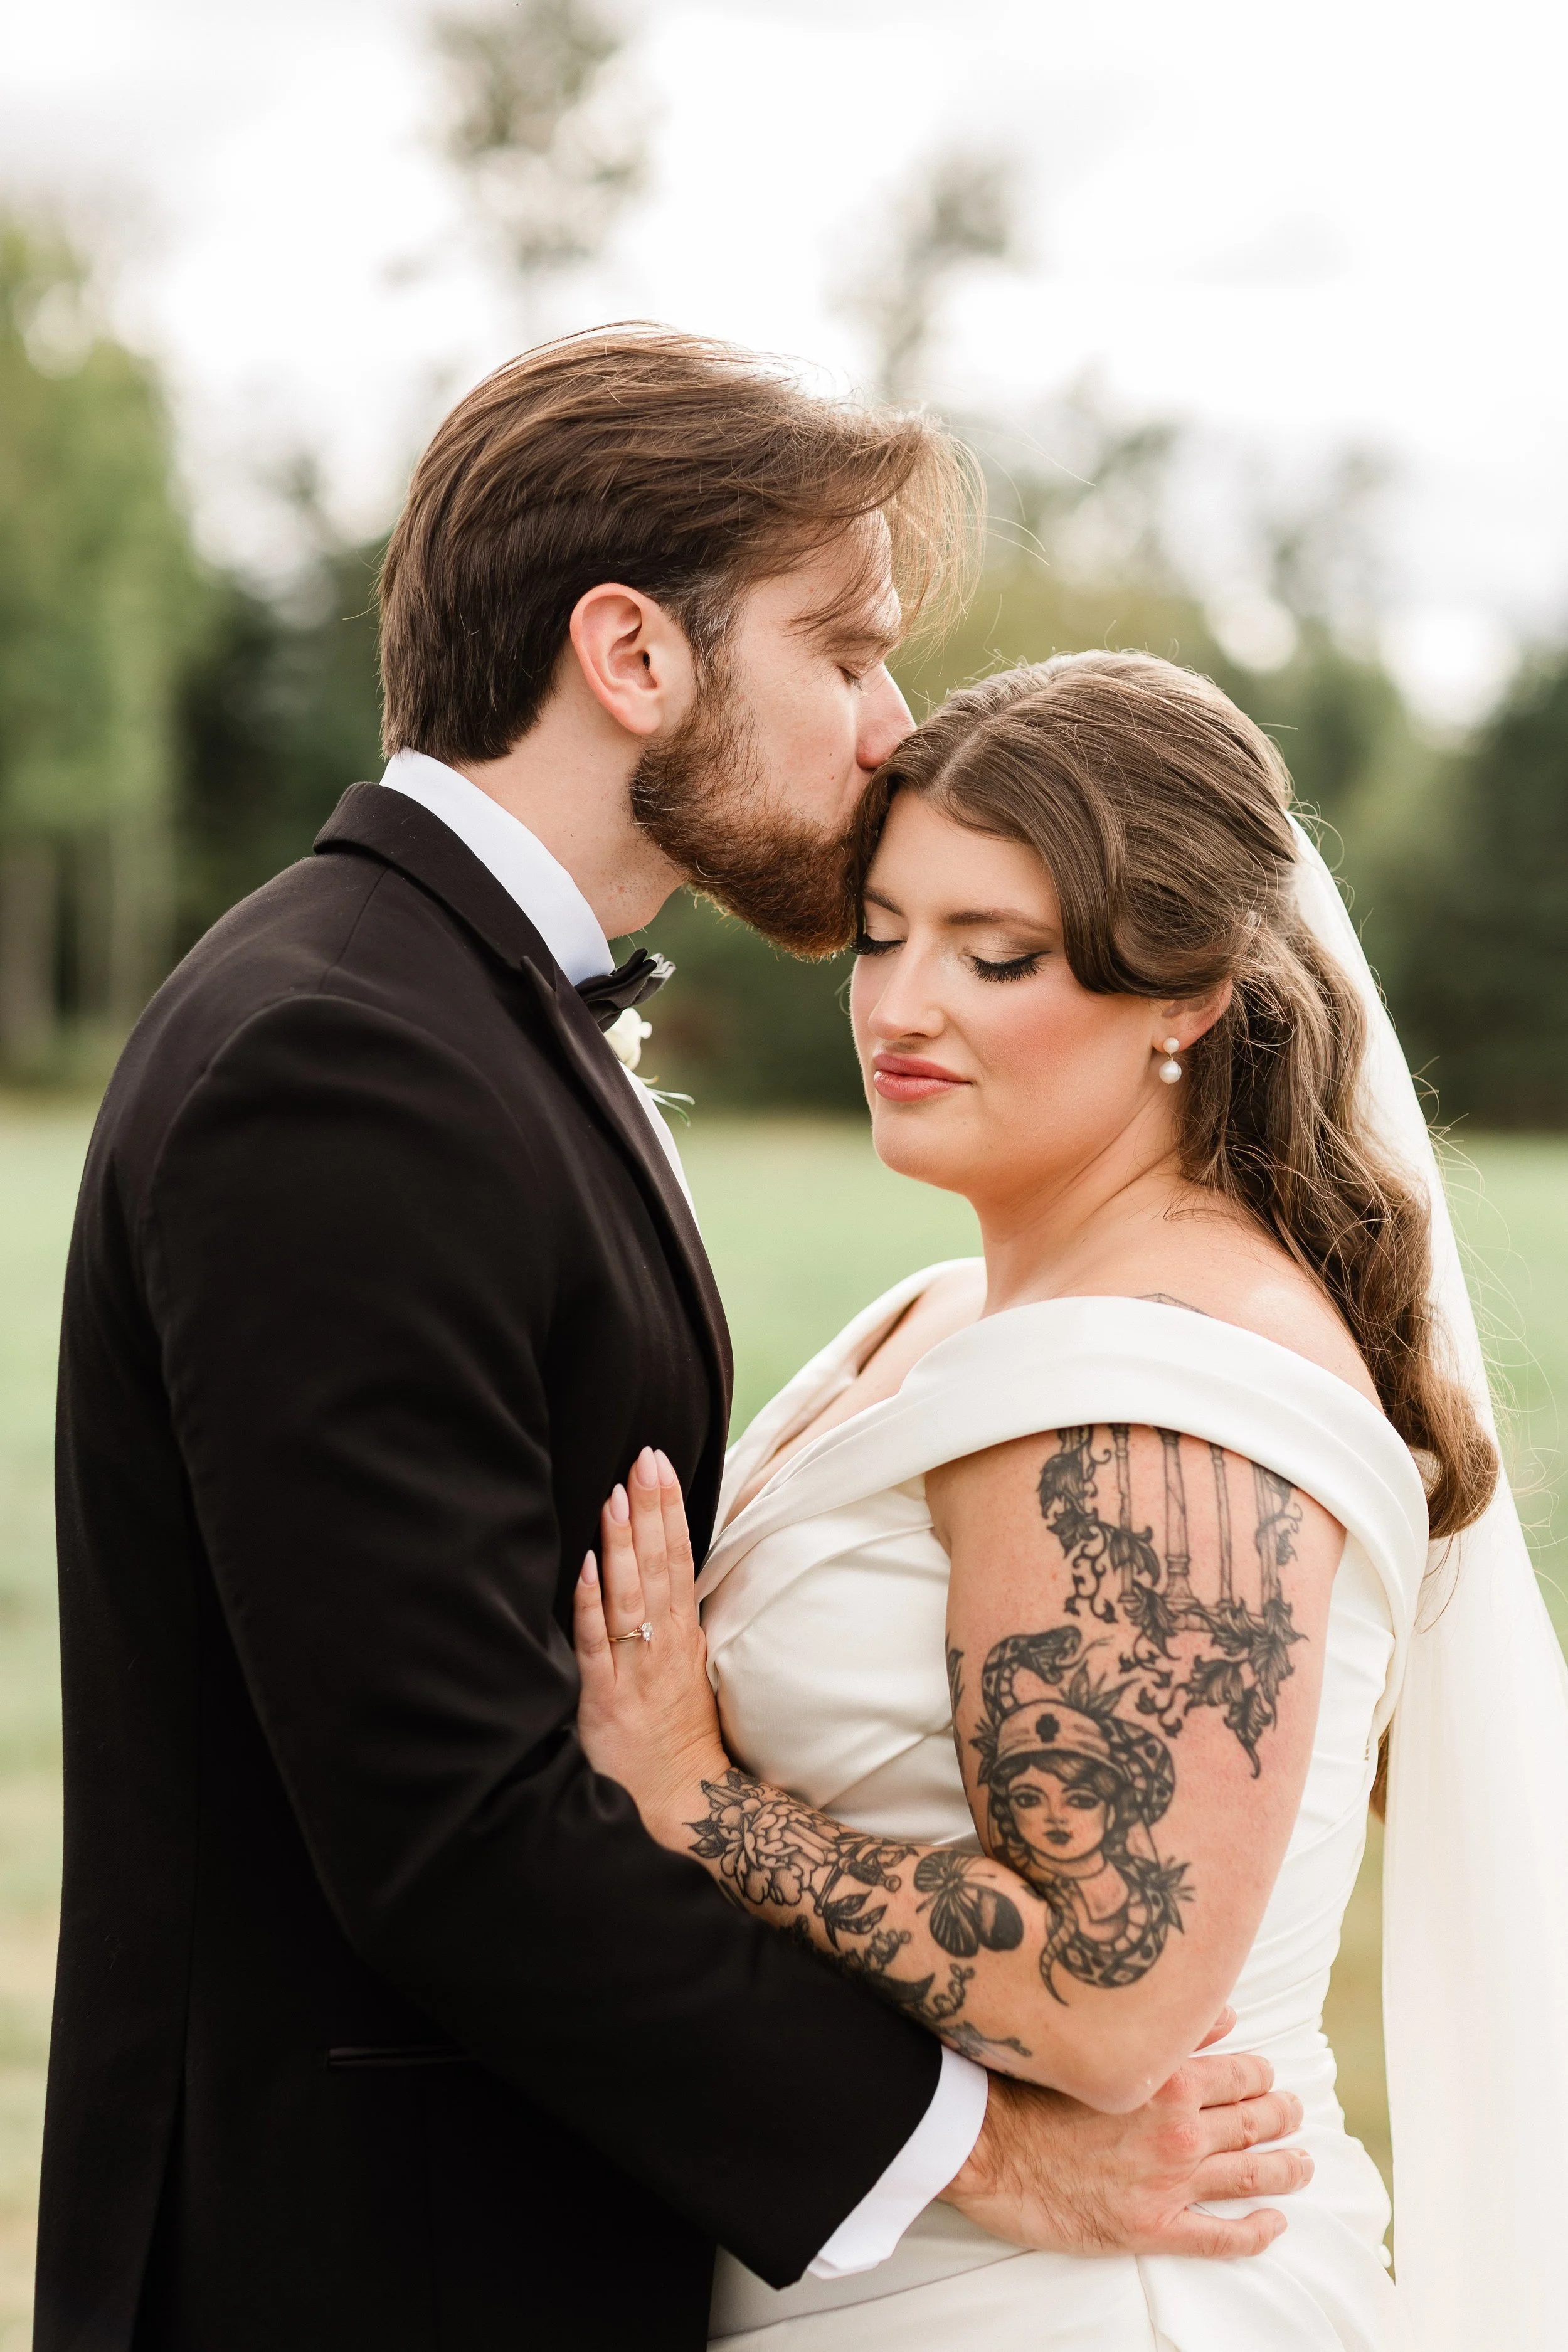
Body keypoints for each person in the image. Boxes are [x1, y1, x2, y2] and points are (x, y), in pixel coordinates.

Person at [35, 342, 1304, 2352]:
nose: (893, 728)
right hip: (373, 2269)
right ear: (631, 651)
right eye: (847, 649)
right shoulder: (344, 1057)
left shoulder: (465, 1013)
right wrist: (991, 2150)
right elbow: (449, 1824)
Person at [572, 650, 1568, 2350]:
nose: (900, 1005)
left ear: (1181, 990)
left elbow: (1106, 2001)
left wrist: (694, 1800)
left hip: (1086, 2296)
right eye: (881, 932)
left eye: (997, 952)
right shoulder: (952, 1312)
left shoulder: (1159, 1396)